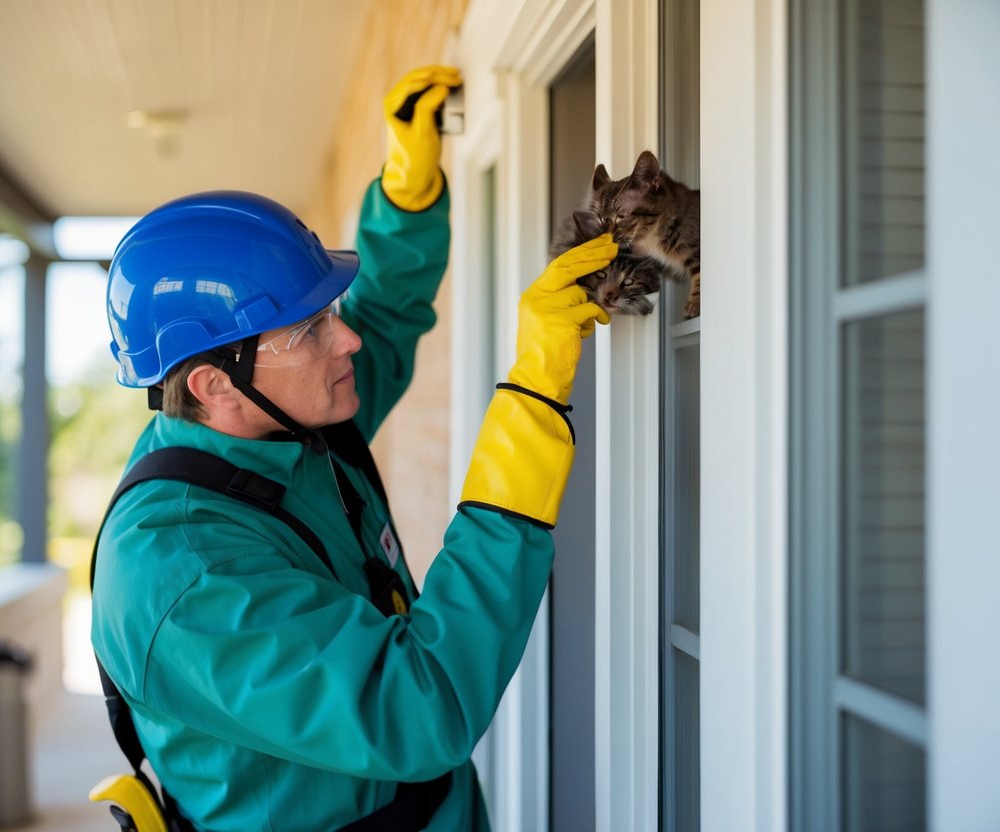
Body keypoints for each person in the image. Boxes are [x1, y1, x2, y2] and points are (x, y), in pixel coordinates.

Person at [91, 64, 616, 831]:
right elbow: (415, 707)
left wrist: (405, 189)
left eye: (326, 309)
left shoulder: (269, 425)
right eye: (309, 329)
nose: (348, 337)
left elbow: (386, 314)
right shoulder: (183, 578)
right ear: (212, 383)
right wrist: (533, 402)